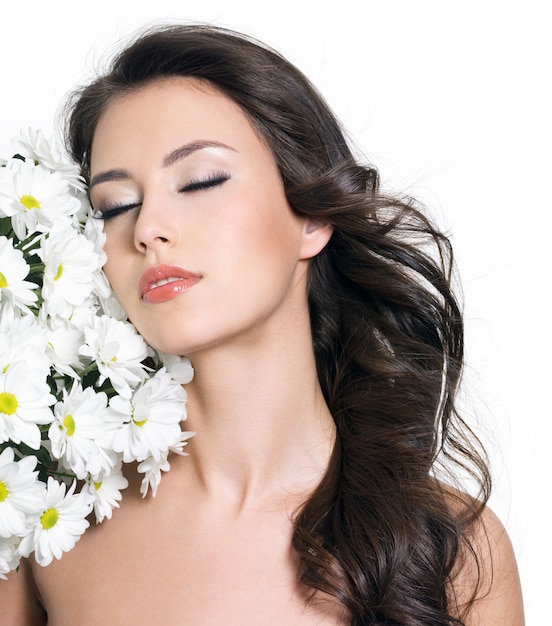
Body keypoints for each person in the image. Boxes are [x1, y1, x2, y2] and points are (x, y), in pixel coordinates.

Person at [1, 23, 524, 625]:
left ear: (311, 216)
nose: (147, 228)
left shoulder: (452, 550)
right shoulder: (52, 528)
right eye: (116, 206)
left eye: (199, 180)